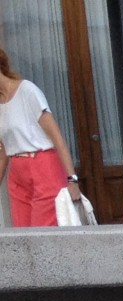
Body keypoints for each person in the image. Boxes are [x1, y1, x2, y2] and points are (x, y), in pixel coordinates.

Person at [0, 47, 81, 227]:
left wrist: (72, 179)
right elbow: (5, 148)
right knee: (22, 235)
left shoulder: (27, 91)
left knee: (43, 234)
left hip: (43, 165)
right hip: (17, 172)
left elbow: (57, 137)